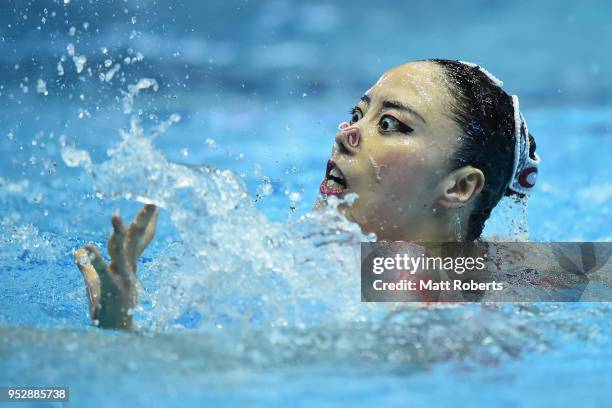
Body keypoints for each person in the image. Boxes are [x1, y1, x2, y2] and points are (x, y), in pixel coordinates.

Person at [74, 59, 540, 329]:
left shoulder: (425, 308)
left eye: (391, 125)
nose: (347, 133)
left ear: (459, 187)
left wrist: (121, 334)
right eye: (358, 113)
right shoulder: (512, 273)